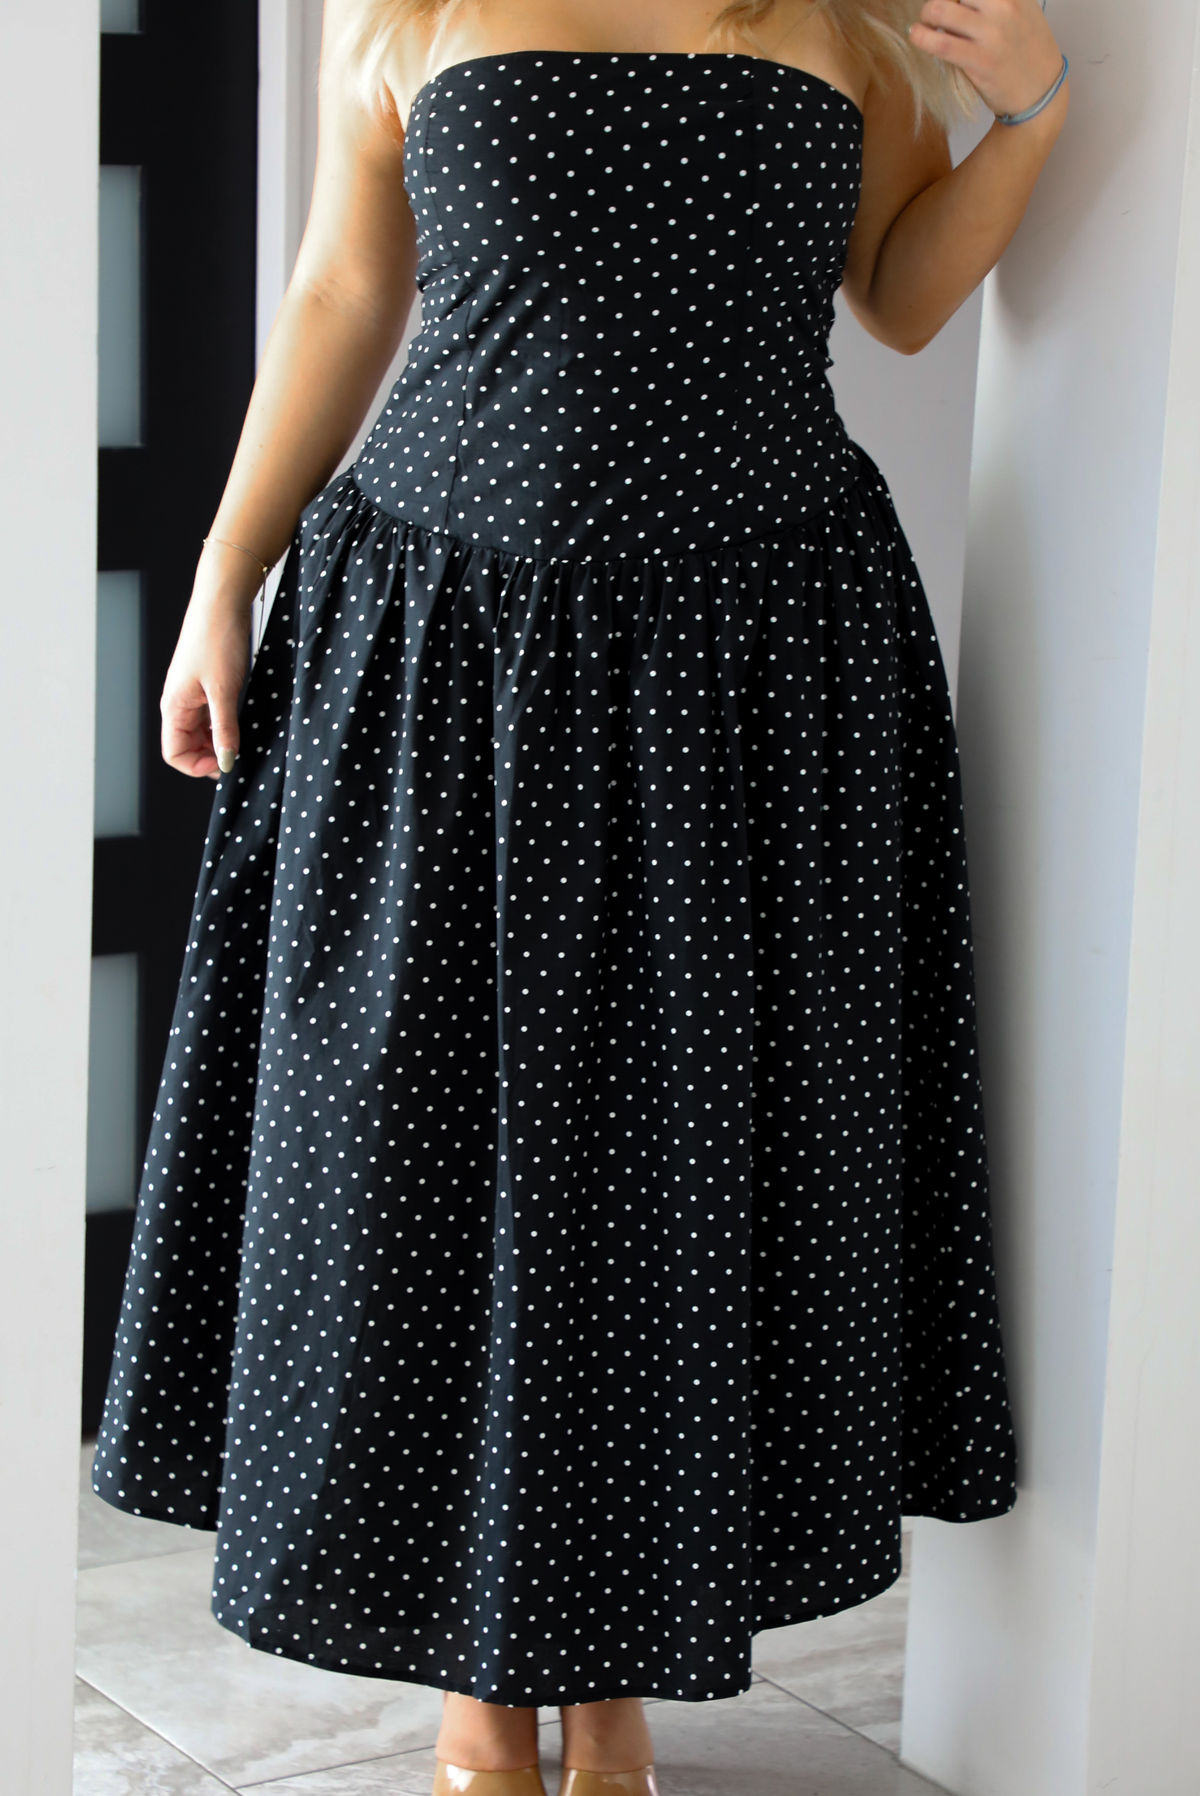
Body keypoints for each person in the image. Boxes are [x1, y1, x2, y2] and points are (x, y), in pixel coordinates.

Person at [93, 1, 1066, 1791]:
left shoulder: (844, 29)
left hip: (749, 664)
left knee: (662, 1165)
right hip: (449, 653)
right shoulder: (416, 14)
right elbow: (342, 293)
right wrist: (225, 575)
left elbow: (902, 298)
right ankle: (481, 1692)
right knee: (429, 1154)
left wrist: (1034, 115)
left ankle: (608, 1686)